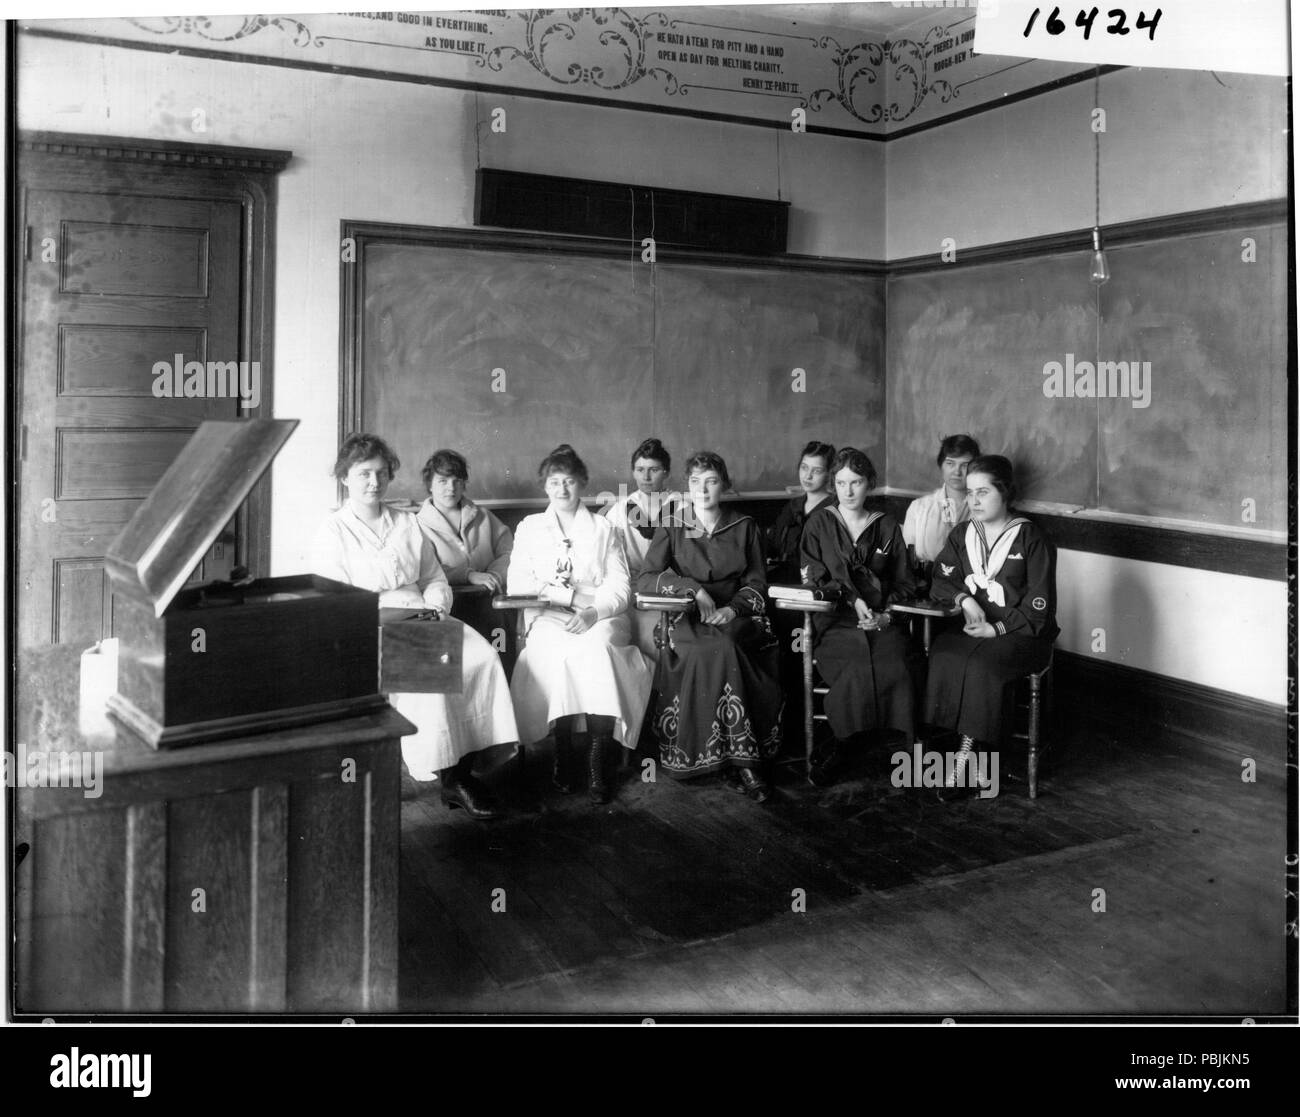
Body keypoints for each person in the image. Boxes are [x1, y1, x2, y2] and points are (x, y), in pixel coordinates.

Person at [312, 433, 519, 820]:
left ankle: (462, 771)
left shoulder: (406, 524)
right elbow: (334, 602)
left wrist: (436, 608)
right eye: (363, 475)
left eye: (380, 473)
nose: (374, 482)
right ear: (345, 478)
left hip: (423, 613)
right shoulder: (333, 531)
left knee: (481, 658)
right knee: (434, 669)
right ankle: (444, 773)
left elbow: (434, 578)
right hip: (369, 624)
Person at [506, 444, 654, 804]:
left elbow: (619, 587)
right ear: (545, 487)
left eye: (569, 481)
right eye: (554, 482)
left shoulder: (604, 528)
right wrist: (570, 600)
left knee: (598, 649)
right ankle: (563, 751)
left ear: (582, 484)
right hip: (549, 615)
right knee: (552, 650)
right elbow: (519, 585)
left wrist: (593, 612)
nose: (561, 490)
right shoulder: (530, 528)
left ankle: (598, 756)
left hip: (599, 616)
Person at [637, 450, 781, 801]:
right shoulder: (673, 522)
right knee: (701, 648)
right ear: (687, 485)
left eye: (711, 481)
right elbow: (646, 579)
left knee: (726, 645)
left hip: (738, 614)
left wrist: (733, 610)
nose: (703, 489)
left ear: (725, 485)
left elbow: (758, 583)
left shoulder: (745, 526)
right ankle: (717, 759)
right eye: (695, 481)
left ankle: (745, 762)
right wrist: (693, 589)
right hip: (688, 613)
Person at [924, 454, 1057, 801]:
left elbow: (1039, 606)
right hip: (975, 631)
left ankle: (967, 759)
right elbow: (940, 579)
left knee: (982, 665)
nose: (974, 501)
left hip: (1021, 634)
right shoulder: (963, 534)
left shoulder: (1031, 537)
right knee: (944, 652)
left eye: (983, 492)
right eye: (969, 493)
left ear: (1006, 492)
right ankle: (974, 753)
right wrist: (964, 600)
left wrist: (997, 630)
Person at [800, 447, 919, 785]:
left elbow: (906, 583)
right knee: (854, 662)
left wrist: (885, 616)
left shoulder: (886, 526)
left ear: (870, 484)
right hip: (835, 620)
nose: (848, 491)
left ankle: (905, 750)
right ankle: (842, 743)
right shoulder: (820, 524)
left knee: (896, 659)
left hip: (882, 620)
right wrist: (852, 600)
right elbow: (814, 578)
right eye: (840, 483)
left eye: (856, 482)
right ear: (833, 485)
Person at [415, 448, 513, 642]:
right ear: (430, 485)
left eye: (457, 481)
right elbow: (426, 569)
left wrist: (495, 575)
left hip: (491, 600)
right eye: (442, 481)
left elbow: (510, 552)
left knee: (499, 652)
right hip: (451, 604)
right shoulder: (417, 525)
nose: (451, 488)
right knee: (463, 657)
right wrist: (469, 575)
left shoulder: (483, 516)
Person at [604, 437, 684, 660]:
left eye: (654, 469)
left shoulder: (682, 506)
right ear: (633, 472)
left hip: (671, 588)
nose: (646, 477)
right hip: (633, 589)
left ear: (666, 472)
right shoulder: (622, 509)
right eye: (640, 470)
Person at [902, 434, 981, 582]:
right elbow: (906, 558)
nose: (957, 472)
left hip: (968, 586)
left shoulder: (982, 509)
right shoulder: (919, 508)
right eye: (950, 463)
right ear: (941, 465)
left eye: (965, 465)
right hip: (923, 584)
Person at [765, 440, 837, 584]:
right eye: (804, 468)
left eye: (816, 471)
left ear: (829, 474)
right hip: (784, 579)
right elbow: (773, 544)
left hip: (818, 584)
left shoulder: (834, 510)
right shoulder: (793, 506)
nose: (808, 476)